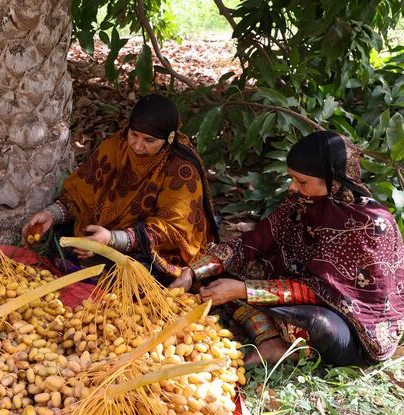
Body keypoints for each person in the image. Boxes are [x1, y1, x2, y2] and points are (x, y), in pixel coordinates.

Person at [171, 131, 404, 366]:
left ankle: (284, 345)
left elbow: (321, 291)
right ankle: (270, 340)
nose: (293, 187)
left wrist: (244, 290)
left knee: (318, 326)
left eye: (302, 182)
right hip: (295, 292)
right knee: (224, 270)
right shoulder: (300, 202)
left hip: (349, 325)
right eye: (292, 178)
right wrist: (193, 271)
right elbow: (253, 242)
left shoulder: (371, 225)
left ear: (334, 181)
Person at [21, 93, 217, 285]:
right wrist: (51, 214)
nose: (138, 146)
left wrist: (112, 240)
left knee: (135, 275)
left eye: (149, 141)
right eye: (134, 135)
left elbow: (172, 232)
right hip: (104, 237)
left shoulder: (182, 171)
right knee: (62, 247)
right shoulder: (117, 147)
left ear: (169, 138)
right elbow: (82, 194)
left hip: (151, 250)